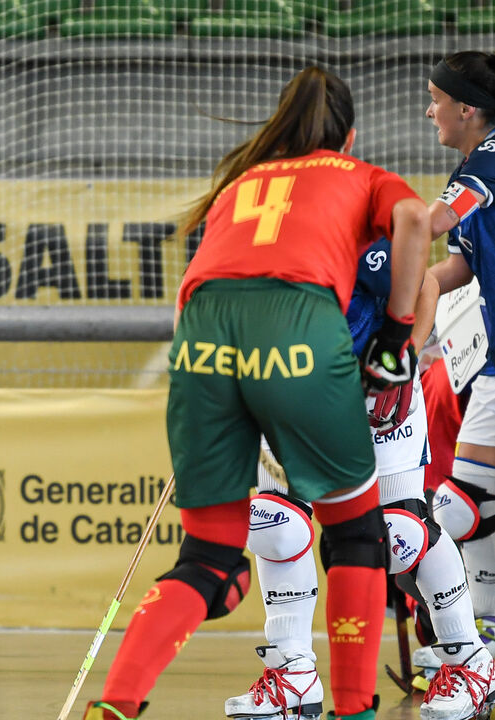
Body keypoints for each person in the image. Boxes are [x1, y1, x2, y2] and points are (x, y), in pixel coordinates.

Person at [83, 66, 431, 720]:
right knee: (357, 535)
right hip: (295, 323)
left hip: (201, 336)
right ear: (348, 137)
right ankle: (354, 710)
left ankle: (116, 703)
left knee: (210, 561)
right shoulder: (359, 175)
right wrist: (394, 339)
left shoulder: (243, 179)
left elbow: (196, 285)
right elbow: (414, 218)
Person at [223, 242, 495, 720]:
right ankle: (292, 673)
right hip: (291, 393)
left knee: (400, 535)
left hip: (376, 392)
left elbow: (425, 284)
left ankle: (470, 661)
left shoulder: (351, 226)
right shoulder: (249, 231)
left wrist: (406, 360)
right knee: (276, 525)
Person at [424, 50, 495, 683]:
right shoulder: (476, 165)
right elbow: (460, 265)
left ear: (467, 108)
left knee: (456, 506)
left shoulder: (488, 162)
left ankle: (468, 643)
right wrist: (400, 294)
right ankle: (481, 634)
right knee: (471, 502)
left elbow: (433, 222)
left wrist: (349, 246)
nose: (430, 111)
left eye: (437, 99)